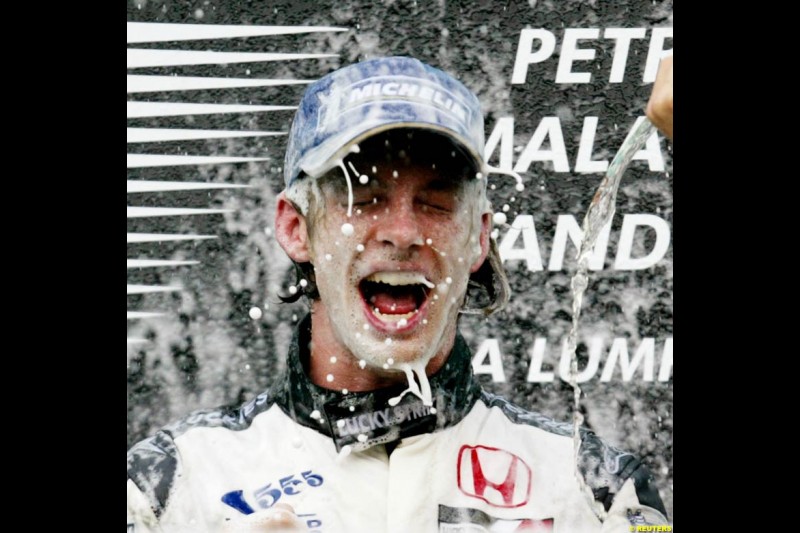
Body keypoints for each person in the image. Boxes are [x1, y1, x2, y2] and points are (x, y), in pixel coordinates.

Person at [127, 56, 671, 532]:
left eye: (435, 203)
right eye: (364, 198)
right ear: (296, 228)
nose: (404, 232)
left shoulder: (595, 493)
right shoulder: (167, 487)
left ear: (479, 236)